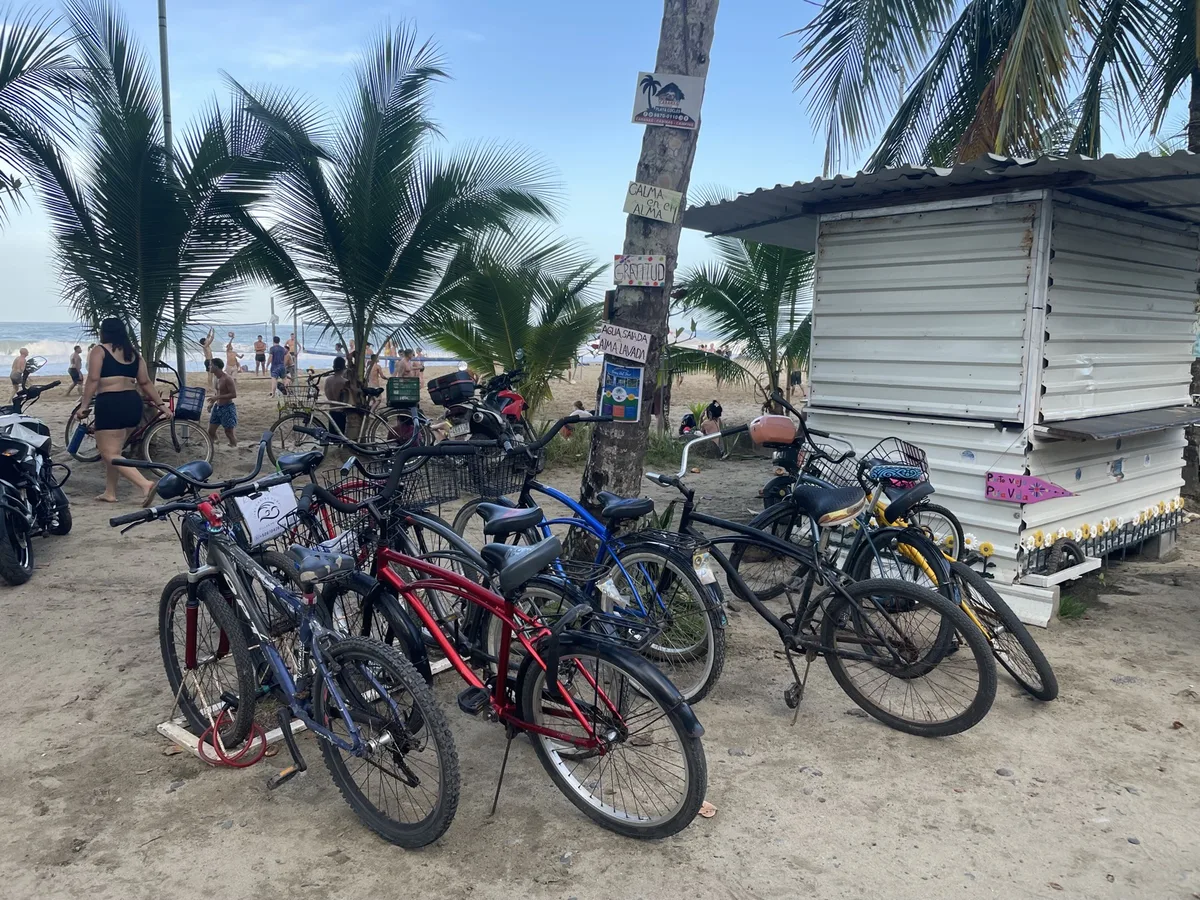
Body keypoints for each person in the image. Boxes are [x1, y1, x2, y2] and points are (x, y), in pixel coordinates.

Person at [75, 318, 171, 504]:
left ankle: (145, 484)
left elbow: (93, 380)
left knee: (108, 453)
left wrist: (84, 406)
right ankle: (110, 492)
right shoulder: (134, 354)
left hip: (111, 403)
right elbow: (145, 383)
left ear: (104, 332)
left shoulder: (99, 350)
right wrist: (162, 405)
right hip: (132, 404)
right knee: (115, 450)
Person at [206, 358, 238, 447]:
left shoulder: (227, 378)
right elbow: (218, 392)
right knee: (211, 431)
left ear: (216, 366)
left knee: (229, 432)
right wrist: (212, 403)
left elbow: (233, 394)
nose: (209, 367)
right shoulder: (216, 378)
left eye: (211, 365)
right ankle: (214, 444)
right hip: (217, 407)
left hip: (227, 407)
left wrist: (217, 397)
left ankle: (234, 446)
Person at [324, 356, 351, 435]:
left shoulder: (328, 380)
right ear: (344, 368)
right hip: (341, 412)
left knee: (332, 435)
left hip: (332, 410)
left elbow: (327, 393)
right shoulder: (345, 382)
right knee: (341, 436)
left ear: (333, 367)